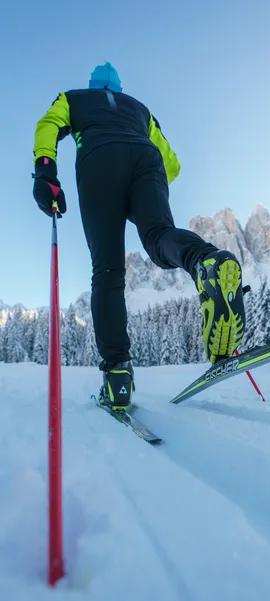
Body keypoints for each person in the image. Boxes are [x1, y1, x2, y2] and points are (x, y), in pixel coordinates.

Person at [32, 62, 245, 410]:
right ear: (118, 87)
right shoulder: (140, 110)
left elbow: (48, 125)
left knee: (108, 270)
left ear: (93, 84)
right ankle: (205, 261)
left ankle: (117, 375)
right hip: (147, 161)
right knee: (158, 234)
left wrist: (45, 173)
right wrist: (144, 195)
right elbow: (171, 163)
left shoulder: (72, 98)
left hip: (99, 161)